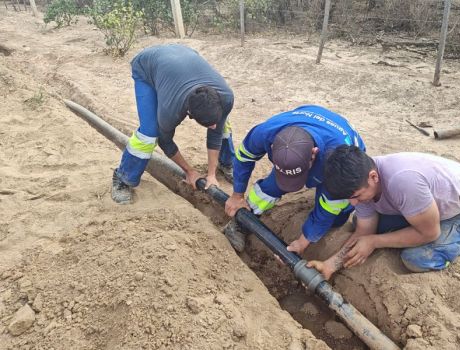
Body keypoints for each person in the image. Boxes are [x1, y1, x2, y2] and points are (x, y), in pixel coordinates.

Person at [308, 145, 460, 278]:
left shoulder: (403, 182)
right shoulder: (359, 182)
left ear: (373, 177)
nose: (353, 202)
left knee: (416, 259)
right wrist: (331, 265)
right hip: (422, 204)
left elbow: (430, 233)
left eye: (356, 196)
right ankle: (419, 219)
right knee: (359, 222)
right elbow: (364, 231)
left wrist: (375, 242)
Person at [225, 105, 366, 254]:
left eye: (298, 175)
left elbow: (330, 208)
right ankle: (241, 222)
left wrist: (303, 242)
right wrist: (237, 195)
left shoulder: (336, 158)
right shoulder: (266, 132)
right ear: (272, 147)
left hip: (343, 157)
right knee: (271, 187)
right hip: (309, 128)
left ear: (313, 153)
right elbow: (243, 157)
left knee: (337, 213)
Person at [111, 44, 235, 204]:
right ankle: (123, 178)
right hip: (147, 66)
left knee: (222, 126)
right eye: (207, 124)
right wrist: (189, 171)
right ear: (189, 115)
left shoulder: (226, 97)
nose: (212, 127)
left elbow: (216, 132)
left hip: (183, 54)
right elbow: (165, 141)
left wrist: (211, 175)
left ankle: (225, 163)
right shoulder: (171, 111)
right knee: (149, 134)